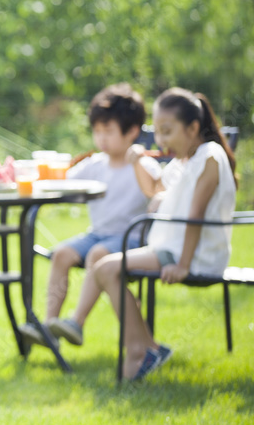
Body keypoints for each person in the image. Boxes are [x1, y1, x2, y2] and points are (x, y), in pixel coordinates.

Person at [68, 87, 237, 381]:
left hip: (194, 254)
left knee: (106, 267)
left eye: (167, 131)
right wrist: (136, 163)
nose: (160, 140)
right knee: (104, 268)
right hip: (168, 247)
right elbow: (154, 190)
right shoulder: (184, 159)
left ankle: (142, 350)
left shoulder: (209, 157)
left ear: (193, 127)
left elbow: (194, 216)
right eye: (157, 132)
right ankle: (146, 348)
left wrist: (183, 264)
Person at [18, 83, 162, 348]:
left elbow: (158, 194)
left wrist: (140, 165)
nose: (101, 138)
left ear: (131, 131)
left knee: (97, 253)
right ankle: (49, 326)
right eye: (97, 131)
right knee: (61, 253)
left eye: (108, 131)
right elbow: (61, 182)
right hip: (98, 234)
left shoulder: (144, 165)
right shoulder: (95, 164)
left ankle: (77, 323)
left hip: (131, 240)